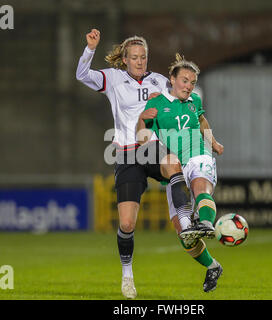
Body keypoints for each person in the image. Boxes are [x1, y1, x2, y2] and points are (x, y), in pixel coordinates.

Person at [76, 30, 192, 299]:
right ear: (125, 60)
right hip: (128, 154)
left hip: (152, 148)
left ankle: (187, 219)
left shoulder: (160, 81)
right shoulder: (114, 79)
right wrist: (90, 50)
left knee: (174, 163)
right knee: (127, 223)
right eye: (135, 58)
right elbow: (82, 75)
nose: (140, 62)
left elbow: (182, 102)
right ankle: (127, 275)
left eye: (143, 57)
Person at [137, 53, 224, 292]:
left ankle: (205, 222)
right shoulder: (156, 103)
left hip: (199, 154)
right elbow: (141, 137)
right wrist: (142, 119)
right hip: (175, 165)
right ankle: (213, 265)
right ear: (172, 79)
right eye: (184, 80)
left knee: (200, 188)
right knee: (183, 233)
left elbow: (202, 121)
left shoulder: (194, 100)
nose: (189, 86)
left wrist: (213, 142)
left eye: (192, 82)